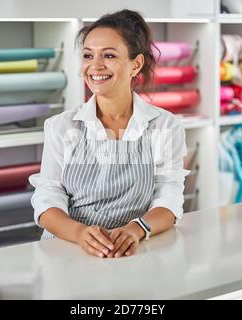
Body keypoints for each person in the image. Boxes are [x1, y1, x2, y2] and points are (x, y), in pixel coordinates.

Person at [29, 9, 188, 258]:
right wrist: (80, 233)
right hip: (68, 250)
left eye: (109, 55)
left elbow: (169, 195)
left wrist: (138, 229)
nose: (95, 66)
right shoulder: (62, 126)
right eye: (88, 55)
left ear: (136, 65)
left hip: (134, 251)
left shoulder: (163, 126)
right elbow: (48, 197)